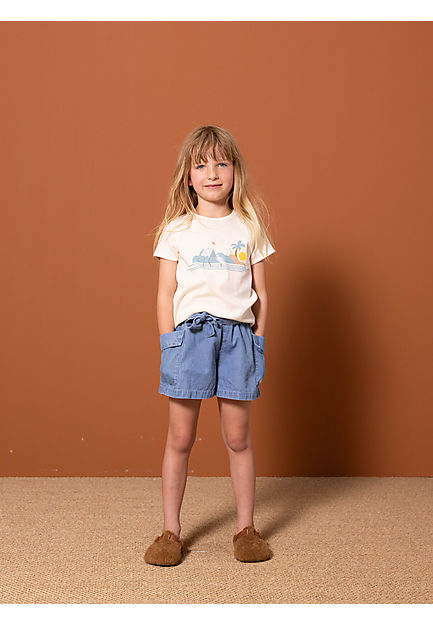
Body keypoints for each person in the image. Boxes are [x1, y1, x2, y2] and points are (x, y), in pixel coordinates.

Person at [144, 125, 276, 566]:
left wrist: (257, 342)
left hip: (238, 338)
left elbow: (262, 294)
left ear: (236, 170)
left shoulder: (249, 227)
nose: (212, 173)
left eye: (222, 163)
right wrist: (169, 342)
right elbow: (165, 293)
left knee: (237, 436)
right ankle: (170, 531)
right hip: (191, 337)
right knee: (180, 436)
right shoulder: (177, 230)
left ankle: (246, 528)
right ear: (188, 176)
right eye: (201, 165)